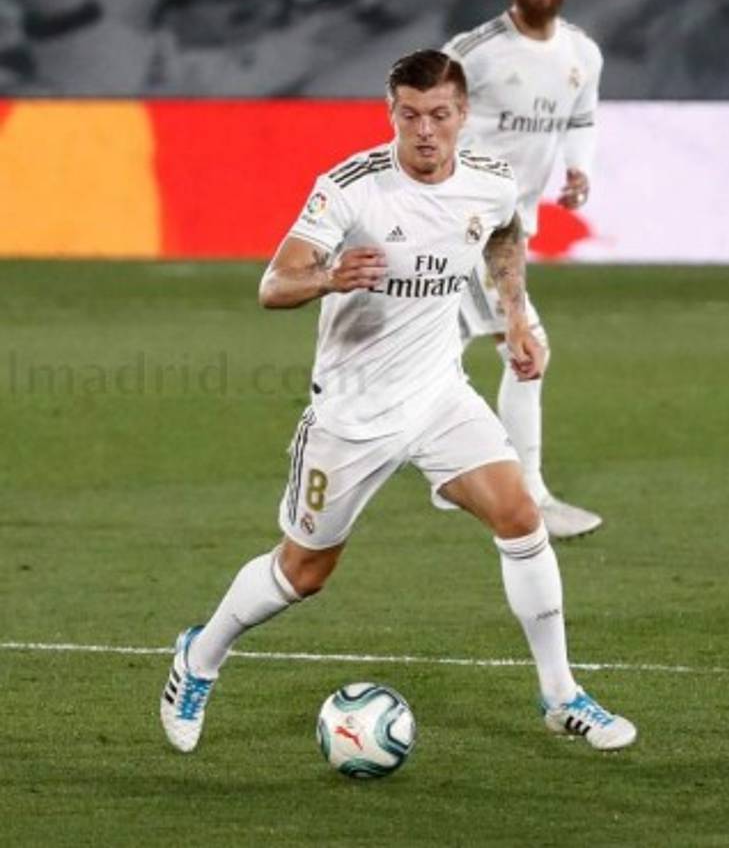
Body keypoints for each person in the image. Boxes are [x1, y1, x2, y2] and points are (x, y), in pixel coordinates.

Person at [159, 49, 635, 755]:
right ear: (392, 114)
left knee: (519, 514)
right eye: (410, 115)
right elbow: (273, 285)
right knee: (303, 573)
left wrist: (513, 316)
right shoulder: (351, 189)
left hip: (439, 396)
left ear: (463, 114)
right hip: (353, 414)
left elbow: (505, 233)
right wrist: (328, 276)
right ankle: (199, 658)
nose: (425, 131)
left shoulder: (489, 181)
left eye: (439, 115)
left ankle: (561, 695)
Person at [442, 0, 603, 539]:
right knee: (528, 348)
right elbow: (422, 114)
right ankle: (527, 495)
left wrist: (578, 167)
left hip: (515, 226)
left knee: (432, 352)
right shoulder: (475, 52)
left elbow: (581, 118)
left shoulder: (582, 54)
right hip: (467, 226)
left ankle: (446, 471)